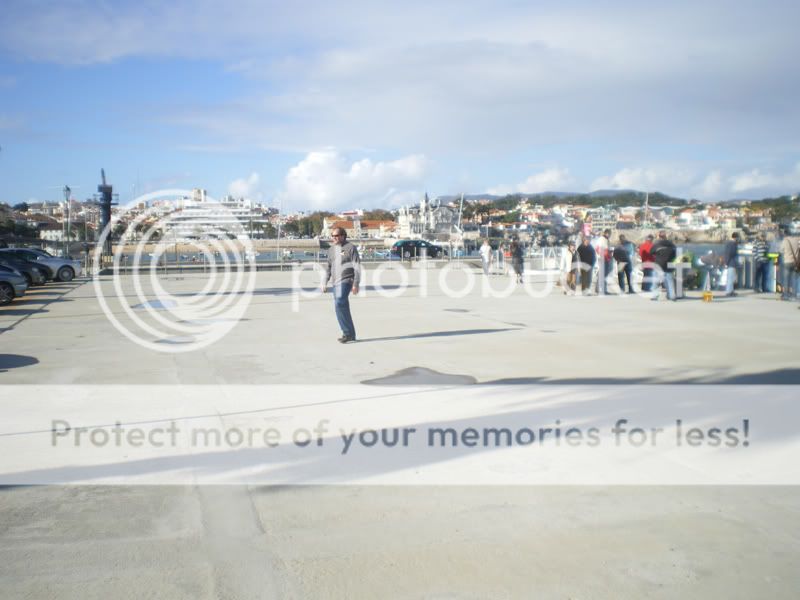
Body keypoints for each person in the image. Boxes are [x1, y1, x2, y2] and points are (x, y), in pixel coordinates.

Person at [322, 227, 360, 343]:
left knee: (339, 302)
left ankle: (347, 333)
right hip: (335, 282)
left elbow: (357, 267)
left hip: (347, 280)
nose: (334, 238)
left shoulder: (350, 248)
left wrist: (356, 284)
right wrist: (324, 281)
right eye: (333, 236)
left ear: (343, 236)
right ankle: (351, 334)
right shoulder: (331, 250)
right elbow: (328, 267)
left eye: (337, 236)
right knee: (341, 308)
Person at [650, 230, 677, 301]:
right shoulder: (671, 244)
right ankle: (672, 296)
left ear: (659, 236)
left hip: (658, 264)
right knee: (669, 282)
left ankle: (654, 296)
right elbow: (675, 254)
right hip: (668, 264)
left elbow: (651, 252)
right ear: (666, 236)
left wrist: (657, 255)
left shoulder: (656, 244)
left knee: (655, 281)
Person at [780, 231, 800, 301]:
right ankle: (794, 296)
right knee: (794, 279)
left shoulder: (785, 241)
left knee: (786, 280)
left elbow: (781, 250)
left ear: (785, 234)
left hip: (787, 262)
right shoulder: (796, 240)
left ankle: (786, 295)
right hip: (795, 263)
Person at [594, 229, 613, 294]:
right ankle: (602, 289)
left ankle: (598, 289)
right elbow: (604, 250)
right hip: (604, 259)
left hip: (603, 258)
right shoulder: (603, 240)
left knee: (601, 274)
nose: (610, 235)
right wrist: (610, 253)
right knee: (603, 275)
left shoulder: (603, 239)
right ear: (606, 233)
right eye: (610, 233)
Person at [722, 232, 740, 297]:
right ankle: (729, 291)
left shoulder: (731, 243)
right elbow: (729, 254)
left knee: (732, 278)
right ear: (735, 237)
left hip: (732, 263)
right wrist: (726, 263)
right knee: (730, 278)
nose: (738, 239)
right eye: (738, 237)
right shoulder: (731, 244)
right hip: (731, 263)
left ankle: (731, 290)